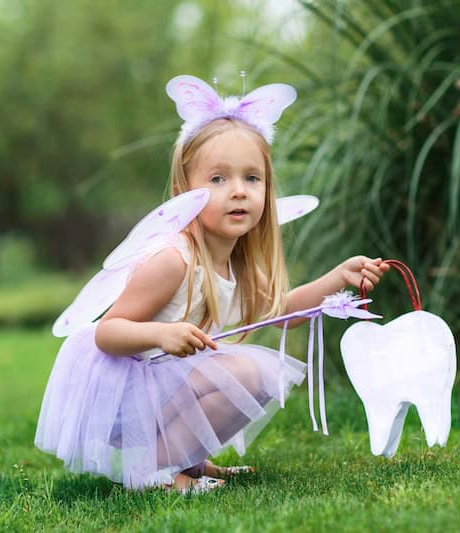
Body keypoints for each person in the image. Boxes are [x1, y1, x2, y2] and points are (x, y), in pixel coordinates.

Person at [35, 75, 389, 494]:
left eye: (251, 178)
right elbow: (107, 333)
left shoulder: (237, 262)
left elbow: (283, 312)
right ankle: (157, 471)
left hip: (162, 387)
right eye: (218, 179)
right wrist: (162, 334)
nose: (238, 191)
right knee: (248, 371)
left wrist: (336, 279)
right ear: (186, 188)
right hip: (125, 394)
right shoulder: (174, 260)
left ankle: (188, 462)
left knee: (253, 372)